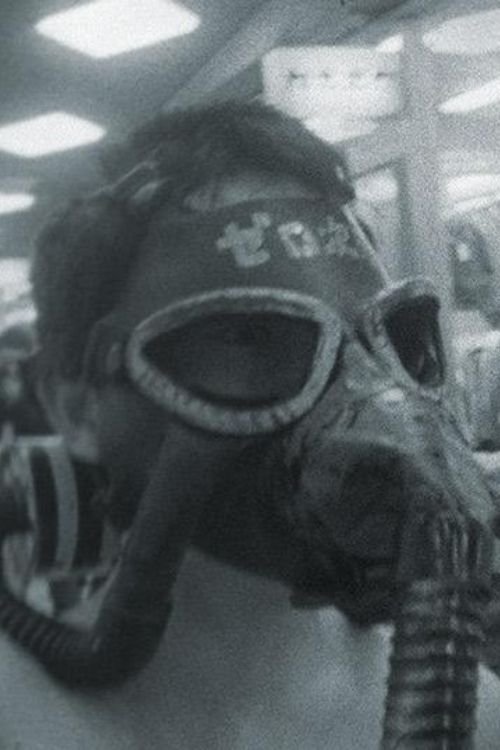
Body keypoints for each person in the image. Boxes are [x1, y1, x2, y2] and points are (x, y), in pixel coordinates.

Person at [0, 100, 498, 749]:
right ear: (77, 408)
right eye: (251, 338)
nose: (374, 408)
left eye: (392, 338)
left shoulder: (481, 713)